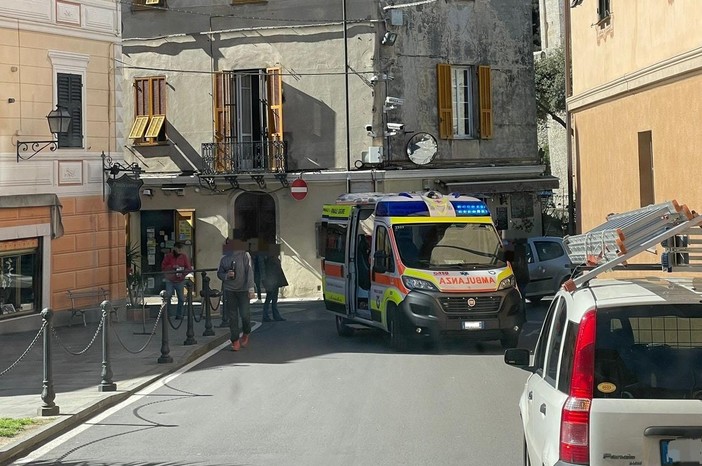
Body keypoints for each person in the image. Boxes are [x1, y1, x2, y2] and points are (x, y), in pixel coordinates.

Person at [217, 232, 255, 351]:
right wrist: (226, 276)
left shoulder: (245, 255)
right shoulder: (224, 258)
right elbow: (219, 273)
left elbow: (249, 272)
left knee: (245, 315)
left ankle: (246, 333)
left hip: (243, 290)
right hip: (229, 290)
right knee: (232, 317)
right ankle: (235, 340)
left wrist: (251, 289)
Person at [161, 241, 192, 319]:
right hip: (170, 280)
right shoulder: (168, 256)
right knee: (168, 297)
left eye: (181, 249)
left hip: (179, 280)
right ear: (174, 248)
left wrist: (183, 274)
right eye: (178, 248)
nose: (179, 250)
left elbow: (189, 268)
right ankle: (167, 315)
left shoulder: (183, 257)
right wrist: (172, 266)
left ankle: (179, 315)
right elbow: (163, 267)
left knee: (181, 299)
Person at [261, 244, 288, 322]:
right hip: (272, 283)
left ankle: (274, 316)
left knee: (273, 300)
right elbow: (272, 272)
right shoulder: (271, 260)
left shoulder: (273, 259)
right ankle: (267, 316)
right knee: (269, 300)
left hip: (274, 282)